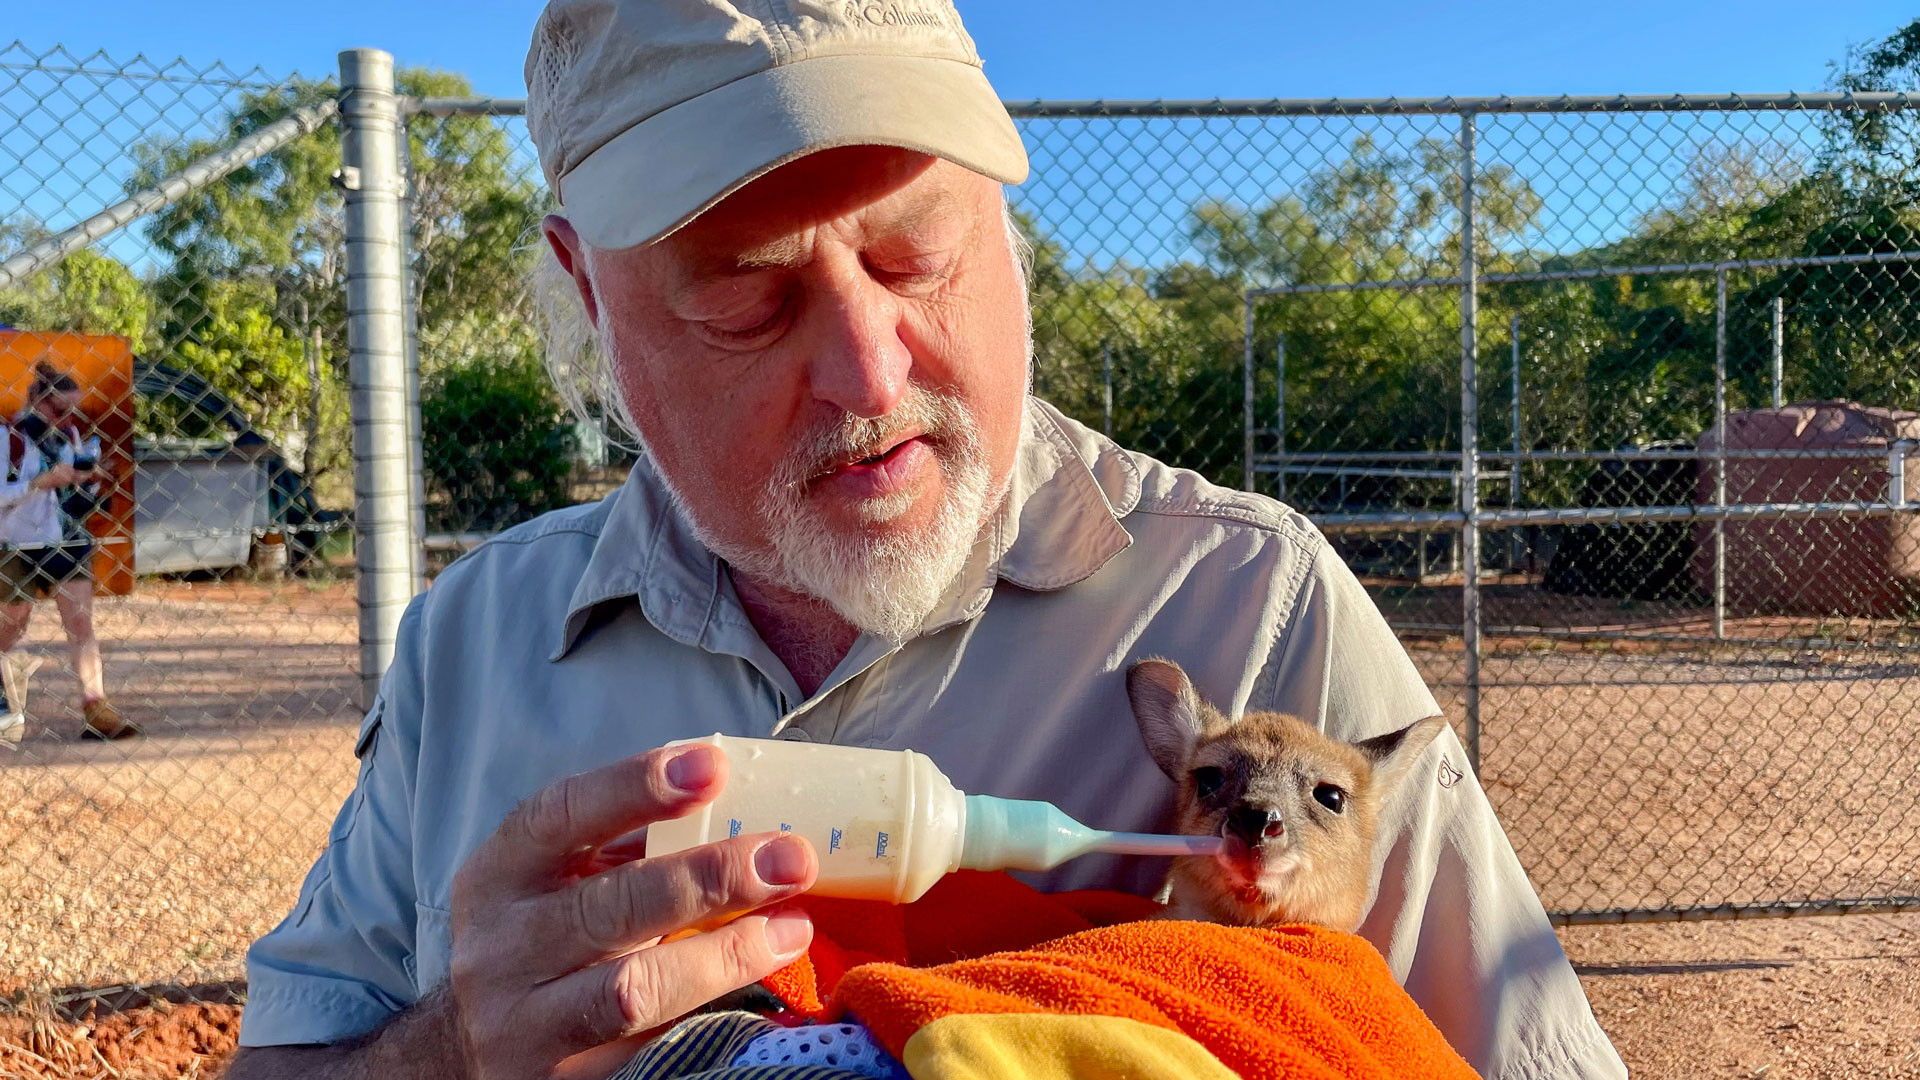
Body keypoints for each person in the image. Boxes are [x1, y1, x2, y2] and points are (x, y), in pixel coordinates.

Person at [227, 3, 1626, 1077]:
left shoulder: (1251, 604)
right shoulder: (478, 646)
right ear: (588, 291)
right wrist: (451, 1048)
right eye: (747, 299)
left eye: (916, 255)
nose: (870, 371)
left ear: (1005, 223)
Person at [0, 361, 132, 742]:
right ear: (37, 400)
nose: (66, 419)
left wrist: (90, 480)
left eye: (73, 411)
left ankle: (96, 707)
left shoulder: (71, 436)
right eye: (59, 409)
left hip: (66, 539)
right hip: (17, 543)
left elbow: (74, 494)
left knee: (80, 624)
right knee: (13, 624)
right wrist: (38, 483)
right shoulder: (9, 438)